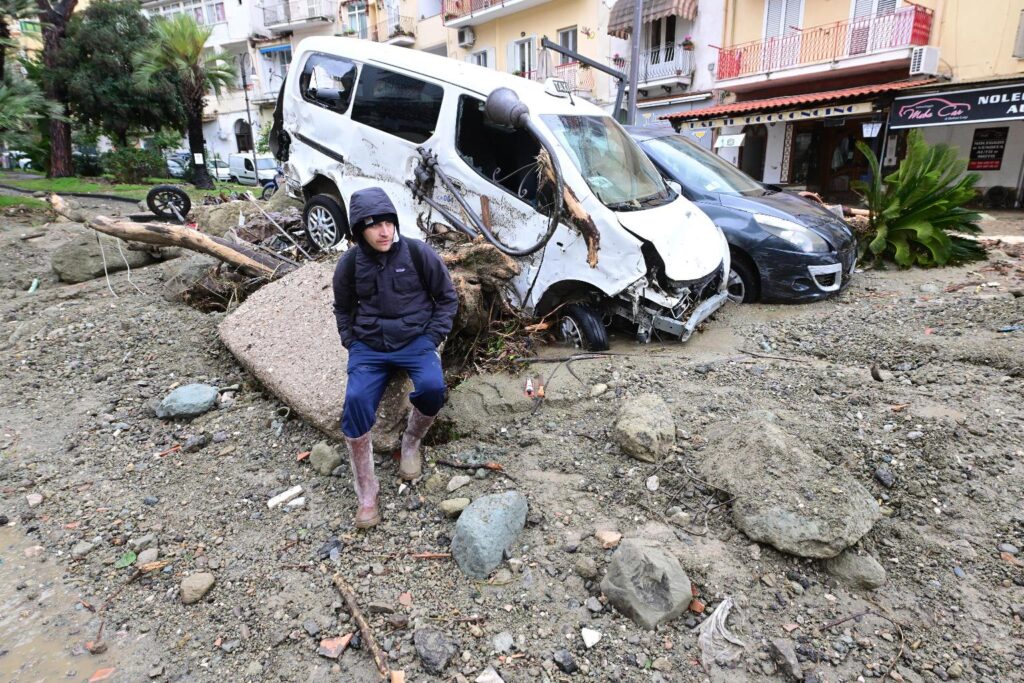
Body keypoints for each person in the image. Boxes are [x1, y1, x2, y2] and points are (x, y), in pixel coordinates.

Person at [332, 187, 458, 528]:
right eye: (374, 226)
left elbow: (447, 298)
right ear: (359, 231)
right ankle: (367, 491)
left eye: (388, 223)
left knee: (433, 388)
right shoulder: (349, 264)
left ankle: (411, 443)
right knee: (356, 401)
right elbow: (343, 308)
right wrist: (351, 341)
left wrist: (432, 338)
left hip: (415, 340)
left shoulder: (417, 253)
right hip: (369, 347)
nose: (384, 231)